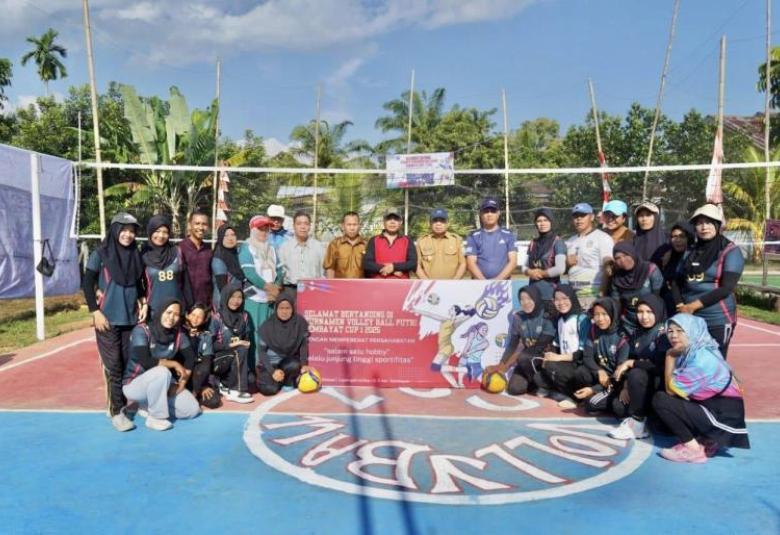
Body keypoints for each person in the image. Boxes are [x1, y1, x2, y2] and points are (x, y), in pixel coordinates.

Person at [652, 313, 749, 463]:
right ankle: (708, 439)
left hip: (723, 415)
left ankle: (693, 449)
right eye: (670, 331)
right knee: (673, 395)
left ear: (693, 331)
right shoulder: (698, 349)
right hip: (720, 408)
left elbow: (670, 390)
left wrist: (669, 356)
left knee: (661, 400)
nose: (674, 335)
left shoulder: (701, 361)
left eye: (680, 330)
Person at [82, 212, 146, 432]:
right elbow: (87, 282)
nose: (128, 235)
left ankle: (121, 404)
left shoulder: (135, 254)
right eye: (124, 230)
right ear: (115, 230)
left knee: (128, 363)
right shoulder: (101, 253)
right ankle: (116, 411)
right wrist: (95, 312)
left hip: (129, 318)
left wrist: (142, 301)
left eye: (132, 231)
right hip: (107, 320)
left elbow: (138, 282)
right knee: (114, 366)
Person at [672, 204, 744, 359]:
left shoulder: (730, 251)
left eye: (709, 222)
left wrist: (692, 306)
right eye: (699, 223)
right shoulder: (690, 250)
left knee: (714, 362)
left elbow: (726, 288)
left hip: (717, 319)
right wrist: (680, 306)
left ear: (717, 225)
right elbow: (676, 281)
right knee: (690, 360)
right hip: (691, 318)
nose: (704, 227)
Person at [123, 298, 201, 431]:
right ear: (160, 312)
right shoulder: (142, 330)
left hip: (163, 383)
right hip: (135, 385)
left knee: (192, 410)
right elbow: (145, 361)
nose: (171, 317)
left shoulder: (179, 335)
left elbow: (190, 357)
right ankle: (156, 417)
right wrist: (174, 364)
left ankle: (147, 406)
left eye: (176, 314)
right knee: (162, 371)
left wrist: (182, 383)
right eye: (168, 312)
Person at [607, 294, 670, 439]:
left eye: (649, 312)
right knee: (618, 407)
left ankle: (638, 422)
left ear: (658, 311)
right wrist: (625, 386)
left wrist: (632, 363)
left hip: (660, 387)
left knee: (636, 373)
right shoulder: (637, 332)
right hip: (641, 386)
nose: (644, 316)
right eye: (640, 312)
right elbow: (632, 358)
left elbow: (660, 367)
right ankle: (640, 418)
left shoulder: (664, 333)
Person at [486, 285, 556, 395]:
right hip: (527, 361)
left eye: (529, 298)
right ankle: (535, 384)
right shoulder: (518, 317)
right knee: (514, 389)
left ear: (536, 298)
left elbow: (540, 346)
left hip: (544, 359)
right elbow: (512, 345)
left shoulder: (547, 316)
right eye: (522, 299)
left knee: (524, 357)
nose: (525, 302)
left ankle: (546, 384)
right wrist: (500, 365)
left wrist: (507, 365)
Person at [534, 285, 590, 408]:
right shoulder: (560, 319)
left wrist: (558, 358)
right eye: (557, 299)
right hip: (565, 362)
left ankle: (575, 398)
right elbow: (556, 345)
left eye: (565, 298)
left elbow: (583, 352)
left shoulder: (582, 319)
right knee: (538, 376)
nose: (561, 303)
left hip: (578, 364)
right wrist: (548, 355)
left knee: (552, 367)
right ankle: (560, 392)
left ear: (572, 298)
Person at [573, 298, 630, 414]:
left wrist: (593, 389)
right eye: (596, 315)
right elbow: (587, 357)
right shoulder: (594, 330)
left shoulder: (622, 337)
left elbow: (619, 374)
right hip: (601, 378)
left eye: (604, 314)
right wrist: (599, 371)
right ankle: (598, 395)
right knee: (581, 371)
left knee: (591, 403)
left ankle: (601, 396)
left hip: (616, 381)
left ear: (613, 314)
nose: (600, 319)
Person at [239, 215, 281, 366]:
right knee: (255, 333)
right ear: (252, 230)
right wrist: (269, 288)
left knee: (269, 334)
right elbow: (249, 273)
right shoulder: (246, 248)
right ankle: (255, 365)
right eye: (260, 228)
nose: (264, 232)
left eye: (266, 229)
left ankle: (268, 366)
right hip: (254, 298)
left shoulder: (272, 249)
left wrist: (276, 288)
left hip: (270, 299)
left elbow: (279, 271)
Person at [256, 290, 310, 396]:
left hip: (286, 363)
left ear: (292, 309)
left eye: (287, 308)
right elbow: (261, 352)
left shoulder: (300, 323)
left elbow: (303, 346)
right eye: (281, 308)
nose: (284, 312)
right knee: (269, 389)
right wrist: (272, 372)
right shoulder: (268, 326)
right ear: (276, 309)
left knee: (294, 364)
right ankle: (276, 380)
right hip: (270, 365)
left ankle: (286, 381)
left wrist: (304, 365)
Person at [209, 284, 253, 403]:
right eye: (232, 296)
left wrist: (246, 343)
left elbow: (247, 338)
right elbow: (210, 345)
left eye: (239, 297)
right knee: (239, 349)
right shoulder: (217, 317)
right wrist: (231, 345)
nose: (236, 301)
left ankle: (224, 383)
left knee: (251, 379)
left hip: (236, 358)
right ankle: (235, 391)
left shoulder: (244, 316)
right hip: (219, 359)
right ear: (226, 296)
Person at [565, 202, 614, 309]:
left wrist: (601, 294)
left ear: (591, 217)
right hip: (574, 295)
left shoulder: (602, 238)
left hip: (593, 295)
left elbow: (608, 268)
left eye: (583, 215)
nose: (579, 219)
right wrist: (567, 263)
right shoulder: (570, 240)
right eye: (575, 216)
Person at [609, 242, 663, 335]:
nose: (622, 260)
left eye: (625, 255)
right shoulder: (617, 279)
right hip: (628, 324)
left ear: (632, 253)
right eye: (617, 258)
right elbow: (616, 304)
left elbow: (658, 299)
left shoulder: (650, 270)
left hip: (651, 321)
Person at [523, 207, 566, 311]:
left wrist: (542, 273)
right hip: (533, 295)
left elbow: (560, 268)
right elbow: (524, 267)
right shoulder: (533, 243)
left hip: (551, 296)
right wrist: (530, 272)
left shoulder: (558, 242)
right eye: (539, 221)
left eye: (546, 220)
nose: (542, 223)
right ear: (535, 223)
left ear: (551, 222)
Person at [141, 214, 184, 316]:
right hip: (153, 310)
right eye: (157, 231)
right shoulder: (143, 255)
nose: (161, 235)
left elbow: (185, 281)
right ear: (150, 231)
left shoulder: (177, 252)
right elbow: (138, 284)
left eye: (165, 232)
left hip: (175, 310)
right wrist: (143, 304)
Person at [465, 197, 517, 280]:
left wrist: (497, 281)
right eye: (486, 211)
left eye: (493, 211)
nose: (489, 214)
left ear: (498, 213)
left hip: (502, 284)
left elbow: (513, 262)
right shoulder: (473, 236)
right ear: (481, 214)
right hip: (479, 284)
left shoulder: (508, 235)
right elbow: (471, 263)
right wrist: (484, 282)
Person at [183, 303, 221, 409]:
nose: (195, 319)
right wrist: (191, 337)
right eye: (193, 315)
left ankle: (196, 392)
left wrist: (202, 386)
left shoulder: (206, 336)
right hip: (182, 374)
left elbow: (206, 363)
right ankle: (190, 393)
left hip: (198, 377)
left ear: (204, 320)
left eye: (199, 317)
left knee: (214, 401)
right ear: (187, 315)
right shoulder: (180, 333)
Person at [363, 207, 418, 279]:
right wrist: (391, 270)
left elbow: (413, 263)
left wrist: (394, 267)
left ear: (400, 222)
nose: (392, 222)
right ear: (384, 222)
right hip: (378, 284)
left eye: (396, 219)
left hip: (401, 284)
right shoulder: (374, 240)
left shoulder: (407, 240)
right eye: (389, 219)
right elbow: (367, 264)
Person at [278, 211, 325, 293]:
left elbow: (323, 271)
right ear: (294, 226)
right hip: (291, 290)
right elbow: (280, 272)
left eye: (306, 224)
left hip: (313, 290)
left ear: (310, 226)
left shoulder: (319, 247)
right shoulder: (284, 248)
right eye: (299, 224)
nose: (303, 227)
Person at [416, 208, 466, 280]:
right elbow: (417, 265)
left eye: (442, 221)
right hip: (429, 285)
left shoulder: (456, 240)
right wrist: (427, 282)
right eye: (435, 221)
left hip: (452, 284)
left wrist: (454, 282)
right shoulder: (421, 242)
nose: (438, 224)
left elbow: (463, 264)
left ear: (447, 223)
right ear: (430, 224)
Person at [179, 210, 213, 309]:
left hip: (205, 305)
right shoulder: (180, 248)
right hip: (186, 305)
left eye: (204, 224)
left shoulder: (209, 250)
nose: (201, 227)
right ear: (190, 225)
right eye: (197, 223)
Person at [660, 222, 694, 316]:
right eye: (674, 236)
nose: (677, 240)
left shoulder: (694, 257)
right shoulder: (669, 256)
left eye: (682, 236)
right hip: (669, 305)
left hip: (687, 306)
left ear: (689, 238)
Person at [323, 211, 367, 278]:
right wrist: (331, 283)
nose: (352, 228)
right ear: (343, 226)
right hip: (340, 284)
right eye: (349, 225)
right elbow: (330, 268)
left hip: (361, 284)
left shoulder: (366, 244)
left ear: (359, 226)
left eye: (355, 224)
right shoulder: (335, 244)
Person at [211, 224, 246, 307]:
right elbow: (223, 288)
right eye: (226, 236)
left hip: (236, 300)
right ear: (220, 237)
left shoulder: (236, 254)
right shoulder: (219, 258)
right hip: (224, 303)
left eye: (233, 235)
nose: (230, 238)